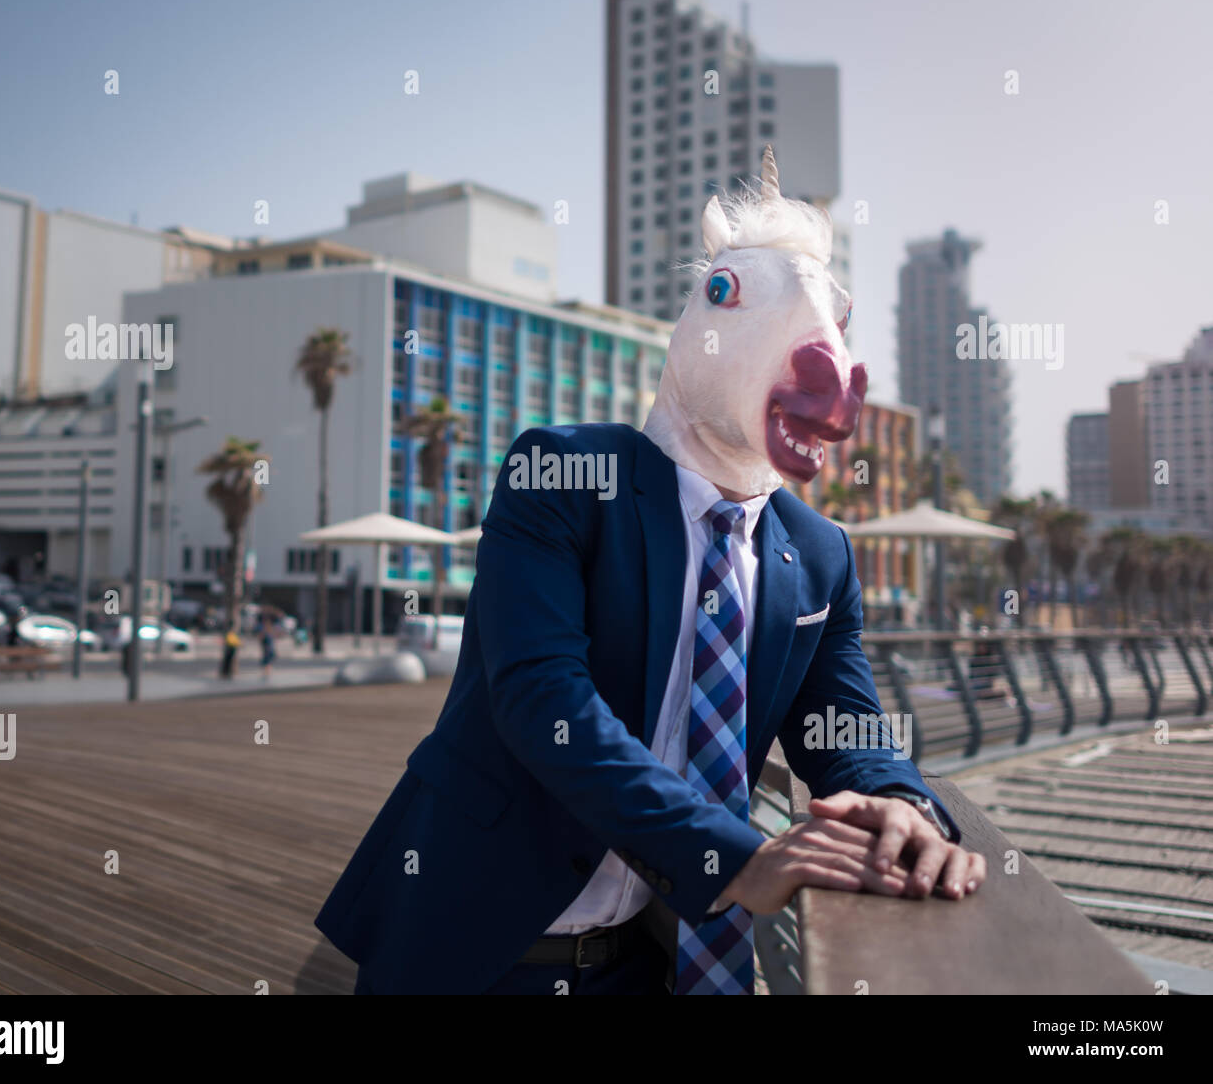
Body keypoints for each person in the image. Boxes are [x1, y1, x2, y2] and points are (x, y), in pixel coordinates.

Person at [316, 147, 985, 995]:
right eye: (726, 293)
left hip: (637, 962)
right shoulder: (559, 473)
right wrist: (737, 859)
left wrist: (900, 805)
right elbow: (541, 700)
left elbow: (840, 731)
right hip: (467, 946)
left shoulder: (819, 555)